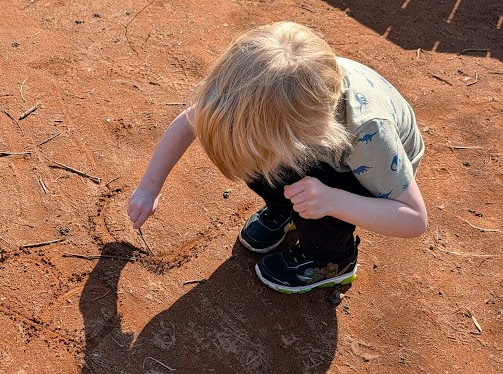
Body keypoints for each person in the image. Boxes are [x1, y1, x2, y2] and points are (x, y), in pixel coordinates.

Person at [127, 21, 427, 294]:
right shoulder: (250, 93)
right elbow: (188, 123)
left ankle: (333, 260)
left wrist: (331, 200)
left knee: (308, 188)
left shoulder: (368, 131)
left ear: (305, 127)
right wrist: (149, 188)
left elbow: (413, 219)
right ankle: (287, 210)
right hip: (318, 144)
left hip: (372, 171)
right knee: (252, 151)